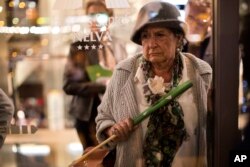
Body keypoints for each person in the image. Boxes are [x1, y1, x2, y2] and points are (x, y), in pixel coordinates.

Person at [95, 1, 212, 167]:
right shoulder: (124, 73)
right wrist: (112, 130)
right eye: (145, 36)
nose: (151, 44)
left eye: (159, 35)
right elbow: (103, 118)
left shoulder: (201, 72)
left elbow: (212, 127)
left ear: (178, 38)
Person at [63, 0, 127, 151]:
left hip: (117, 115)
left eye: (100, 15)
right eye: (91, 16)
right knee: (94, 160)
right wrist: (103, 85)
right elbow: (68, 85)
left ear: (110, 18)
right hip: (89, 116)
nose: (95, 20)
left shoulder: (119, 45)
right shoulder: (79, 47)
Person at [184, 0, 213, 68]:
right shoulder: (176, 43)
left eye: (202, 19)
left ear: (211, 20)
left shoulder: (220, 47)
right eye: (190, 18)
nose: (194, 25)